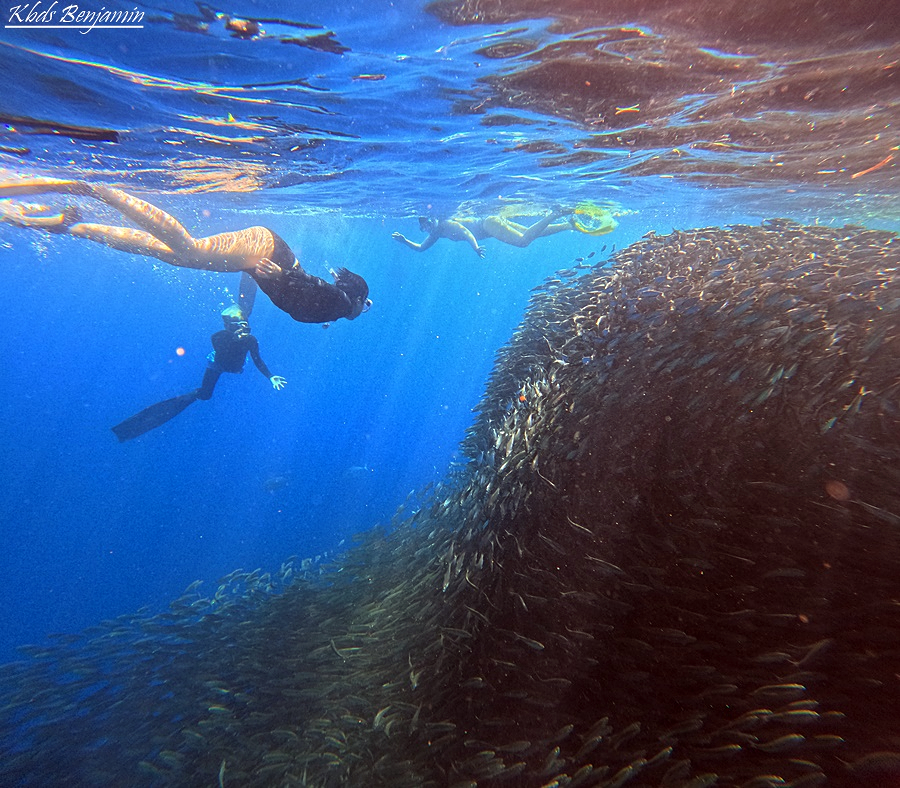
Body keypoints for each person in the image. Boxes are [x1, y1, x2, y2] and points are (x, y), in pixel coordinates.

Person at [0, 177, 371, 323]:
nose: (361, 310)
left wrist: (281, 279)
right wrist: (288, 275)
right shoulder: (339, 304)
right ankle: (93, 189)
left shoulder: (337, 309)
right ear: (352, 299)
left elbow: (312, 291)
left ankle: (72, 225)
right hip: (268, 252)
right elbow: (319, 289)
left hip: (264, 258)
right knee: (189, 249)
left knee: (165, 253)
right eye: (361, 304)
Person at [111, 304, 286, 442]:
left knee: (234, 368)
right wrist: (234, 340)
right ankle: (187, 397)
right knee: (205, 395)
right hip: (217, 364)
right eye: (237, 326)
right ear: (227, 326)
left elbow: (258, 360)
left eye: (244, 325)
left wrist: (270, 376)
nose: (242, 329)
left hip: (236, 365)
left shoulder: (250, 340)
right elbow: (223, 356)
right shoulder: (217, 337)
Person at [391, 211, 572, 258]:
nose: (428, 229)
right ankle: (567, 224)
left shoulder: (447, 224)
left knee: (523, 242)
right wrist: (405, 240)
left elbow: (467, 233)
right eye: (425, 228)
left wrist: (476, 248)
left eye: (429, 224)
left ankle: (555, 214)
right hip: (489, 225)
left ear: (435, 220)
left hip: (487, 224)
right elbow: (421, 248)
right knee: (530, 233)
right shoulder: (437, 233)